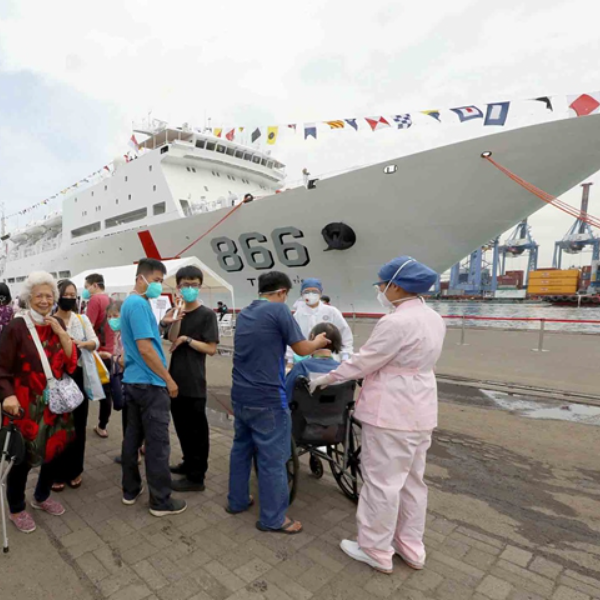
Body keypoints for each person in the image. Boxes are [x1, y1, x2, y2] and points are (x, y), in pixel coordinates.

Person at [310, 256, 445, 574]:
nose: (380, 290)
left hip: (391, 412)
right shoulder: (434, 318)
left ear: (396, 287)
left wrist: (325, 378)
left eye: (382, 285)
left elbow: (364, 362)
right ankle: (411, 547)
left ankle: (375, 548)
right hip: (422, 408)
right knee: (413, 482)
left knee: (382, 483)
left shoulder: (395, 322)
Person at [226, 271, 330, 534]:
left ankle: (237, 501)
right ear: (282, 292)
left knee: (241, 449)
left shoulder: (247, 312)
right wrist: (317, 341)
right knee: (273, 459)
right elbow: (302, 350)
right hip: (267, 399)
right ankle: (273, 519)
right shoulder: (279, 311)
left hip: (240, 395)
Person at [0, 272, 77, 533]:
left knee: (53, 451)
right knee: (23, 458)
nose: (45, 300)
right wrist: (7, 395)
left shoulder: (57, 324)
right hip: (25, 405)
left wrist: (63, 334)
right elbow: (2, 369)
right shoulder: (16, 328)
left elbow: (70, 364)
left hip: (54, 403)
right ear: (29, 298)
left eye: (49, 296)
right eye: (39, 296)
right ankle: (17, 507)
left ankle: (41, 496)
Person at [120, 258, 186, 517]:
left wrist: (164, 323)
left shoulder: (134, 303)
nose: (159, 286)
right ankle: (160, 501)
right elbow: (146, 349)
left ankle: (130, 489)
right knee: (158, 445)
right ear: (141, 278)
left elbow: (144, 340)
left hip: (134, 381)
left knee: (132, 438)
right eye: (157, 281)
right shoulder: (137, 304)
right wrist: (168, 379)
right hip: (150, 384)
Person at [162, 265, 219, 492]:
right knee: (182, 426)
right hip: (175, 378)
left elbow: (212, 348)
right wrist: (176, 317)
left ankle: (197, 477)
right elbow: (170, 338)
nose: (190, 289)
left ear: (200, 286)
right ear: (178, 287)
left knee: (197, 430)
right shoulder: (176, 311)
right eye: (186, 285)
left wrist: (187, 340)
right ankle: (188, 463)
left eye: (194, 285)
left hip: (195, 380)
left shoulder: (207, 315)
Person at [52, 280, 99, 491]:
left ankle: (75, 470)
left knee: (78, 425)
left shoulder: (82, 319)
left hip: (78, 376)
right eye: (66, 294)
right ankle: (55, 472)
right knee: (57, 426)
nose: (70, 298)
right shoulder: (49, 321)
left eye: (73, 295)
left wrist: (79, 344)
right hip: (55, 379)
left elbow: (95, 342)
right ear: (57, 296)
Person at [287, 278, 353, 366]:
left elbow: (345, 335)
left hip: (331, 359)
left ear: (320, 293)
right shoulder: (297, 316)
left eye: (314, 291)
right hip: (304, 361)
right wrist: (290, 360)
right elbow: (291, 340)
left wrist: (345, 357)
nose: (310, 294)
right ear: (301, 294)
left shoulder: (332, 312)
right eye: (306, 292)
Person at [83, 273, 113, 438]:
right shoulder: (110, 300)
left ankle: (88, 424)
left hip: (98, 352)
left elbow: (88, 326)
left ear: (94, 285)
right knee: (107, 391)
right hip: (110, 350)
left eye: (87, 286)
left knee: (88, 385)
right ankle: (103, 425)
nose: (86, 290)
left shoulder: (95, 300)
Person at [285, 322, 341, 402]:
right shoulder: (342, 369)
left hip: (302, 413)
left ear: (312, 337)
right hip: (338, 413)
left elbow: (285, 395)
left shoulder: (302, 367)